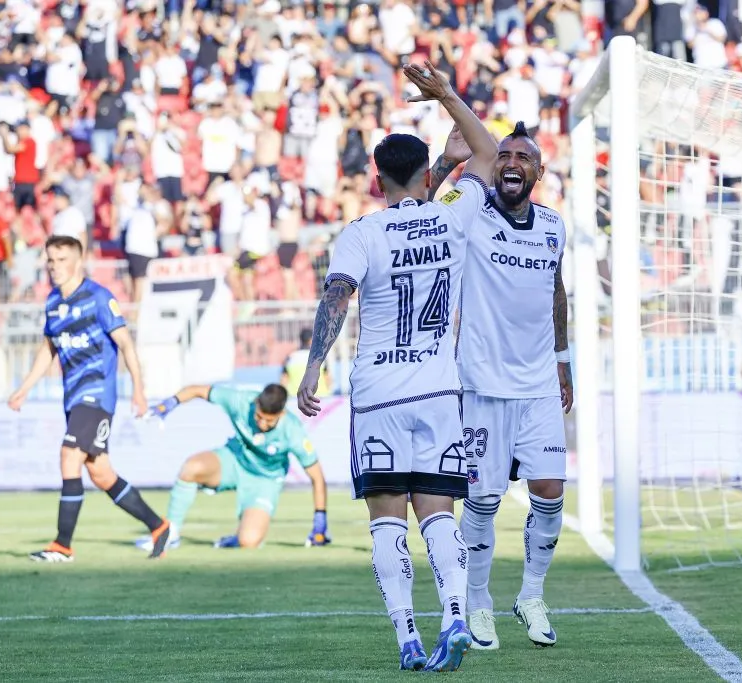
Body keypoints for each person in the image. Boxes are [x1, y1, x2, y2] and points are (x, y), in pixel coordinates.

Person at [296, 61, 497, 673]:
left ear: (374, 176)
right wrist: (446, 99)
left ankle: (409, 639)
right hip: (439, 389)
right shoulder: (451, 215)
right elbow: (487, 152)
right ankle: (457, 616)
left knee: (387, 520)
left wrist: (311, 370)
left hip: (379, 391)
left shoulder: (361, 234)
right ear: (428, 174)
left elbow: (336, 297)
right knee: (438, 512)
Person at [426, 121, 572, 650]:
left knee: (551, 492)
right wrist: (447, 163)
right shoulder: (471, 217)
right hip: (481, 386)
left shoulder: (554, 225)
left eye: (523, 157)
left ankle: (531, 594)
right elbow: (420, 208)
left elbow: (556, 291)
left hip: (537, 387)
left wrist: (563, 358)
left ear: (538, 170)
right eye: (503, 155)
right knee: (483, 500)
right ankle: (481, 602)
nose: (511, 162)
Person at [8, 235, 170, 562]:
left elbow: (125, 343)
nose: (55, 266)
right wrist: (25, 386)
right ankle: (158, 525)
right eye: (51, 260)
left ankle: (62, 545)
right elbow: (48, 349)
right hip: (73, 398)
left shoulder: (98, 297)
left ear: (78, 261)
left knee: (70, 455)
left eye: (62, 259)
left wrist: (138, 389)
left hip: (97, 395)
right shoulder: (53, 302)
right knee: (101, 473)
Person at [135, 383, 329, 550]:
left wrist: (320, 521)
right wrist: (170, 404)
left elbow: (317, 477)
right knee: (191, 468)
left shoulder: (293, 430)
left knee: (249, 541)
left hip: (265, 480)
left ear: (281, 413)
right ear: (256, 403)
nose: (261, 424)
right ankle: (170, 533)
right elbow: (198, 390)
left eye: (269, 421)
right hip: (234, 460)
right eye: (259, 417)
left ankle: (236, 538)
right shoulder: (240, 401)